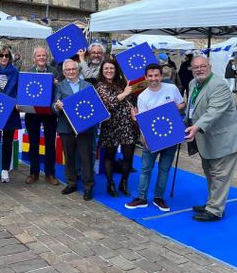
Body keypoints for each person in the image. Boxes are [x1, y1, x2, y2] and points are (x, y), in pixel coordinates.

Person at [125, 63, 185, 212]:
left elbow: (182, 104)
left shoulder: (171, 89)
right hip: (150, 138)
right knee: (146, 169)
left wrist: (171, 110)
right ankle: (142, 197)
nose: (153, 78)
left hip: (170, 136)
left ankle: (159, 197)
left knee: (164, 169)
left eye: (156, 75)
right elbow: (143, 120)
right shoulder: (143, 96)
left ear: (161, 76)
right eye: (150, 76)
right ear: (146, 77)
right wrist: (144, 137)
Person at [185, 56, 237, 221]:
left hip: (223, 140)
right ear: (192, 69)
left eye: (203, 66)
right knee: (210, 172)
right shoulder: (193, 83)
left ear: (210, 67)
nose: (199, 69)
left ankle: (215, 210)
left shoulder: (219, 85)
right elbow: (191, 107)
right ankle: (212, 202)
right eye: (196, 67)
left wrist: (197, 127)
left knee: (219, 175)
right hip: (205, 139)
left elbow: (213, 112)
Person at [96, 59, 139, 197]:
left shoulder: (123, 83)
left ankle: (124, 182)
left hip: (128, 124)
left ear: (116, 70)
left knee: (128, 155)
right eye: (106, 69)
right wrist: (125, 93)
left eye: (112, 68)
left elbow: (132, 100)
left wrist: (135, 110)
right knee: (110, 155)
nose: (109, 71)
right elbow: (109, 104)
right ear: (102, 71)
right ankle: (110, 183)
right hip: (111, 125)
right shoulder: (100, 86)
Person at [53, 59, 95, 200]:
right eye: (68, 70)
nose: (71, 71)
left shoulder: (88, 85)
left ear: (78, 70)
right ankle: (71, 183)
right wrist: (57, 107)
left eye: (73, 69)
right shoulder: (59, 86)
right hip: (66, 127)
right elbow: (53, 105)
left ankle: (88, 186)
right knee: (69, 157)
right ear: (64, 72)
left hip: (84, 128)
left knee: (86, 158)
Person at [24, 46, 59, 187]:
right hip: (32, 112)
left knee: (50, 143)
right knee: (33, 143)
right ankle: (34, 173)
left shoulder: (54, 71)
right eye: (39, 56)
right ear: (34, 58)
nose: (41, 58)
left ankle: (50, 174)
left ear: (47, 57)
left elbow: (58, 90)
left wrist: (56, 84)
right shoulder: (28, 72)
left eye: (44, 56)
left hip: (49, 112)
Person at [0, 45, 21, 183]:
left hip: (11, 110)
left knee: (8, 141)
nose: (4, 58)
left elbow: (20, 90)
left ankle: (6, 170)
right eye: (1, 55)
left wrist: (18, 102)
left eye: (7, 55)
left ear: (10, 57)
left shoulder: (15, 72)